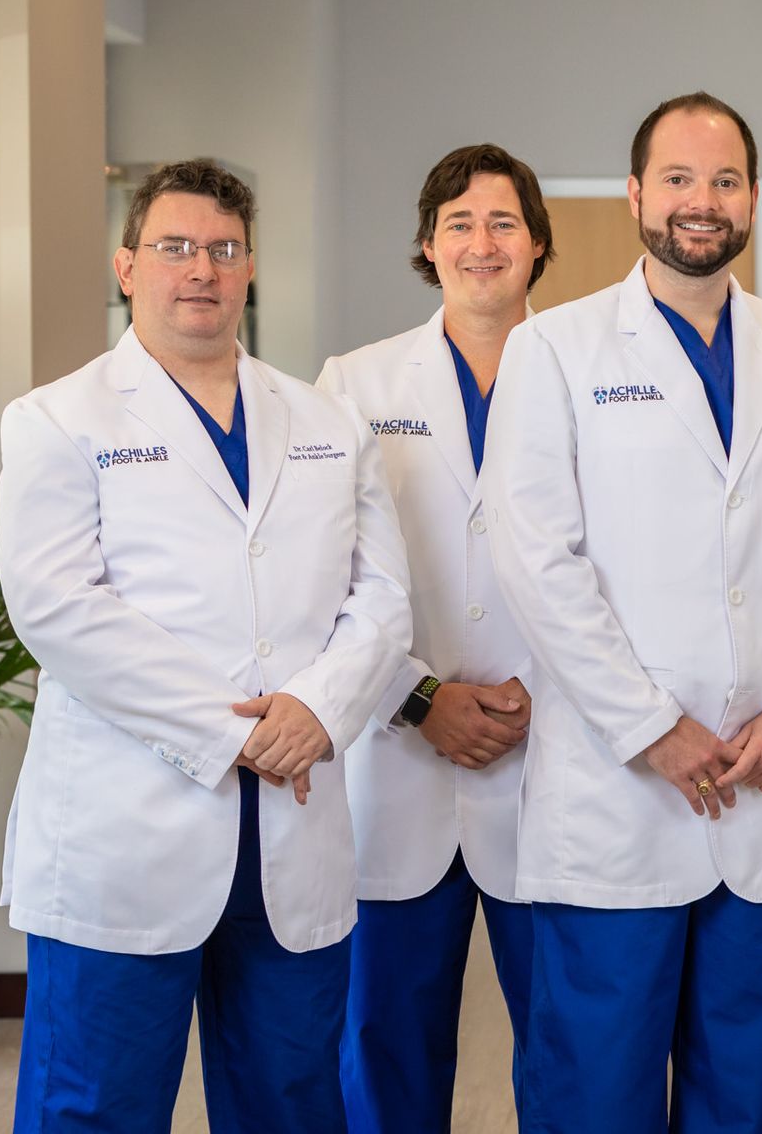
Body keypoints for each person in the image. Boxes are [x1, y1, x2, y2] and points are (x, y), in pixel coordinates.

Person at [481, 92, 762, 1133]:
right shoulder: (555, 348)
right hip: (618, 788)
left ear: (751, 198)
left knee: (739, 1091)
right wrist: (650, 724)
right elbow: (536, 559)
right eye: (677, 178)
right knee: (596, 1090)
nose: (702, 201)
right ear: (634, 194)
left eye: (724, 180)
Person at [0, 158, 412, 1133]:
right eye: (175, 246)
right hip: (125, 830)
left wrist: (318, 709)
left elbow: (385, 597)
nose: (202, 269)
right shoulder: (58, 418)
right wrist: (238, 733)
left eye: (224, 249)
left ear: (250, 268)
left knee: (293, 1102)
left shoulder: (327, 422)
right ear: (127, 264)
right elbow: (59, 608)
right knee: (93, 1106)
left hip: (290, 832)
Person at [317, 144, 552, 1131]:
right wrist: (417, 697)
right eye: (459, 223)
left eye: (502, 222)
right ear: (427, 243)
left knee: (575, 1047)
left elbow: (634, 565)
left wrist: (556, 690)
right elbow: (322, 578)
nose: (480, 242)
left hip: (553, 756)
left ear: (537, 243)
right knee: (386, 1048)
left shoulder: (595, 376)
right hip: (400, 761)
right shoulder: (355, 383)